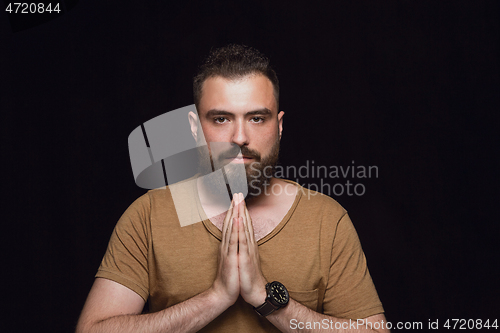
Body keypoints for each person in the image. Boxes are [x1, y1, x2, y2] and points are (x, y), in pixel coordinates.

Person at [76, 44, 389, 332]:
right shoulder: (149, 216)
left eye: (256, 118)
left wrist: (266, 299)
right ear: (195, 127)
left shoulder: (327, 220)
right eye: (222, 119)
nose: (240, 137)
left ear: (278, 126)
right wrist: (216, 297)